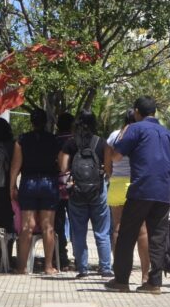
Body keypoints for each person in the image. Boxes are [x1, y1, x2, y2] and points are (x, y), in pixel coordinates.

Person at [105, 96, 170, 294]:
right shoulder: (166, 133)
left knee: (126, 235)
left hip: (141, 190)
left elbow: (116, 156)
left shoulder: (135, 129)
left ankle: (121, 281)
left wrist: (122, 138)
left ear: (137, 112)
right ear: (155, 112)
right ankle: (153, 283)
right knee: (157, 237)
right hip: (162, 193)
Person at [59, 110, 113, 279]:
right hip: (98, 191)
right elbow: (109, 169)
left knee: (78, 231)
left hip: (77, 192)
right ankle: (105, 268)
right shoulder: (101, 143)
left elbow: (62, 167)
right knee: (102, 231)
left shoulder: (71, 143)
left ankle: (82, 269)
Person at [10, 108, 60, 275]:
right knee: (48, 226)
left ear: (31, 121)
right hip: (48, 181)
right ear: (45, 122)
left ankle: (22, 267)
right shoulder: (54, 140)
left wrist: (12, 185)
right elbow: (59, 164)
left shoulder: (22, 140)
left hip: (29, 182)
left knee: (26, 226)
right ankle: (48, 266)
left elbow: (16, 165)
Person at [106, 109, 149, 284]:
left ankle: (120, 274)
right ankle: (146, 275)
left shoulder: (114, 136)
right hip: (136, 185)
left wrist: (113, 177)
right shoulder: (141, 135)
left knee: (118, 229)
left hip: (117, 185)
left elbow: (107, 163)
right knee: (142, 231)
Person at [54, 113, 75, 271]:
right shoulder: (76, 141)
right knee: (76, 224)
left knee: (58, 224)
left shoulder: (52, 141)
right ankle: (80, 258)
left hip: (55, 187)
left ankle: (62, 258)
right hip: (74, 187)